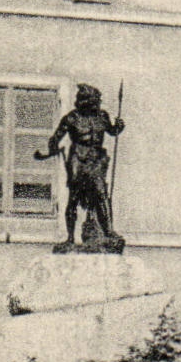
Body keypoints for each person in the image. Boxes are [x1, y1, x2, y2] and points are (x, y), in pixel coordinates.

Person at [34, 83, 125, 249]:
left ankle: (108, 232)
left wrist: (119, 127)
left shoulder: (102, 116)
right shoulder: (71, 118)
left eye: (97, 100)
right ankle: (70, 238)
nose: (96, 103)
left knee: (101, 194)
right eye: (93, 100)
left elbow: (112, 131)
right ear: (84, 101)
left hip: (96, 160)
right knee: (74, 197)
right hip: (77, 158)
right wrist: (52, 148)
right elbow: (55, 138)